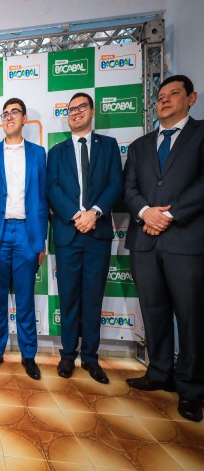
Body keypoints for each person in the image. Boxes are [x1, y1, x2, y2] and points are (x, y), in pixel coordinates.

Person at [124, 75, 204, 422]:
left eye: (174, 94)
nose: (165, 100)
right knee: (153, 310)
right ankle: (159, 372)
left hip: (185, 241)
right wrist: (145, 212)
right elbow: (129, 188)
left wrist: (169, 214)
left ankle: (191, 388)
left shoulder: (200, 134)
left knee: (191, 316)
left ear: (191, 98)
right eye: (160, 96)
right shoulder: (140, 145)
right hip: (145, 240)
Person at [46, 92, 122, 384]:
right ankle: (67, 354)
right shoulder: (56, 151)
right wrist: (76, 214)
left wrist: (95, 213)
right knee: (69, 298)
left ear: (92, 111)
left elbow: (116, 184)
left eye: (81, 107)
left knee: (92, 298)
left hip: (98, 233)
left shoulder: (109, 146)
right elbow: (52, 188)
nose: (76, 112)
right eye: (71, 109)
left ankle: (90, 357)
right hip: (68, 232)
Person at [0, 98, 48, 380]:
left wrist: (41, 239)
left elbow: (43, 198)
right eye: (5, 114)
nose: (9, 117)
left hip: (26, 232)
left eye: (14, 113)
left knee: (25, 299)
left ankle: (28, 354)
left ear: (24, 118)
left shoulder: (38, 153)